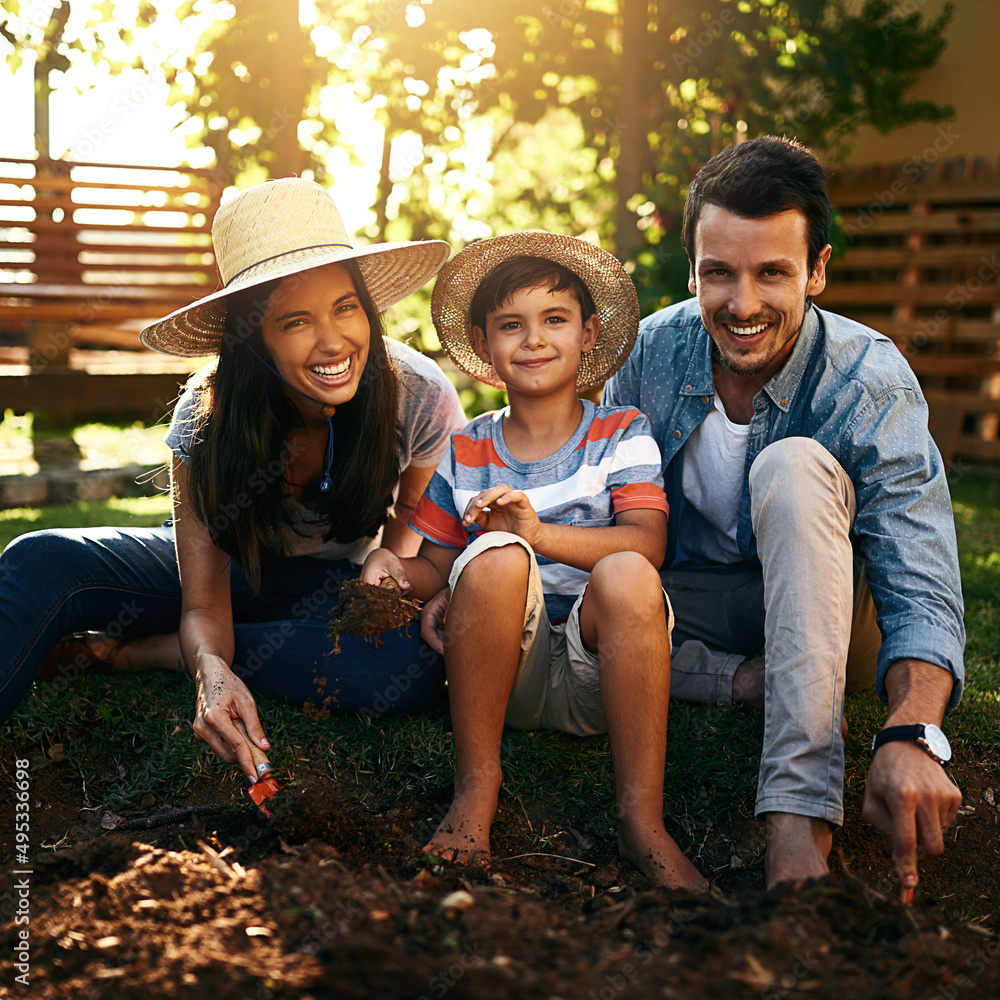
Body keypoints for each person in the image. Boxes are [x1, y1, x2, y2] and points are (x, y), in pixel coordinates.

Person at [0, 178, 466, 781]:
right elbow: (204, 599)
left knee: (404, 659)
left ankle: (140, 653)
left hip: (328, 585)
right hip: (217, 573)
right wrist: (211, 670)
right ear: (254, 340)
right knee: (41, 559)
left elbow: (408, 530)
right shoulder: (208, 413)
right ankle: (201, 648)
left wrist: (386, 584)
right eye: (296, 321)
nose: (333, 342)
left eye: (345, 307)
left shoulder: (419, 394)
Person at [601, 136, 965, 891]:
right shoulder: (647, 355)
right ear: (693, 269)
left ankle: (797, 836)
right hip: (690, 602)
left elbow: (918, 577)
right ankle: (737, 680)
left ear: (818, 270)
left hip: (834, 608)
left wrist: (913, 732)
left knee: (793, 464)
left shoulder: (869, 379)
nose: (742, 305)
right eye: (719, 274)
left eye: (773, 273)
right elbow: (605, 538)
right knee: (592, 601)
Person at [360, 231, 708, 891]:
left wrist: (536, 532)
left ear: (588, 333)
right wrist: (393, 569)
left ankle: (643, 822)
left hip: (600, 671)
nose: (535, 340)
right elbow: (434, 568)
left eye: (555, 320)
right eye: (511, 326)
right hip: (504, 674)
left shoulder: (621, 433)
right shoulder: (466, 449)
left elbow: (647, 543)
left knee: (626, 571)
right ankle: (476, 790)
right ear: (485, 346)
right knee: (491, 554)